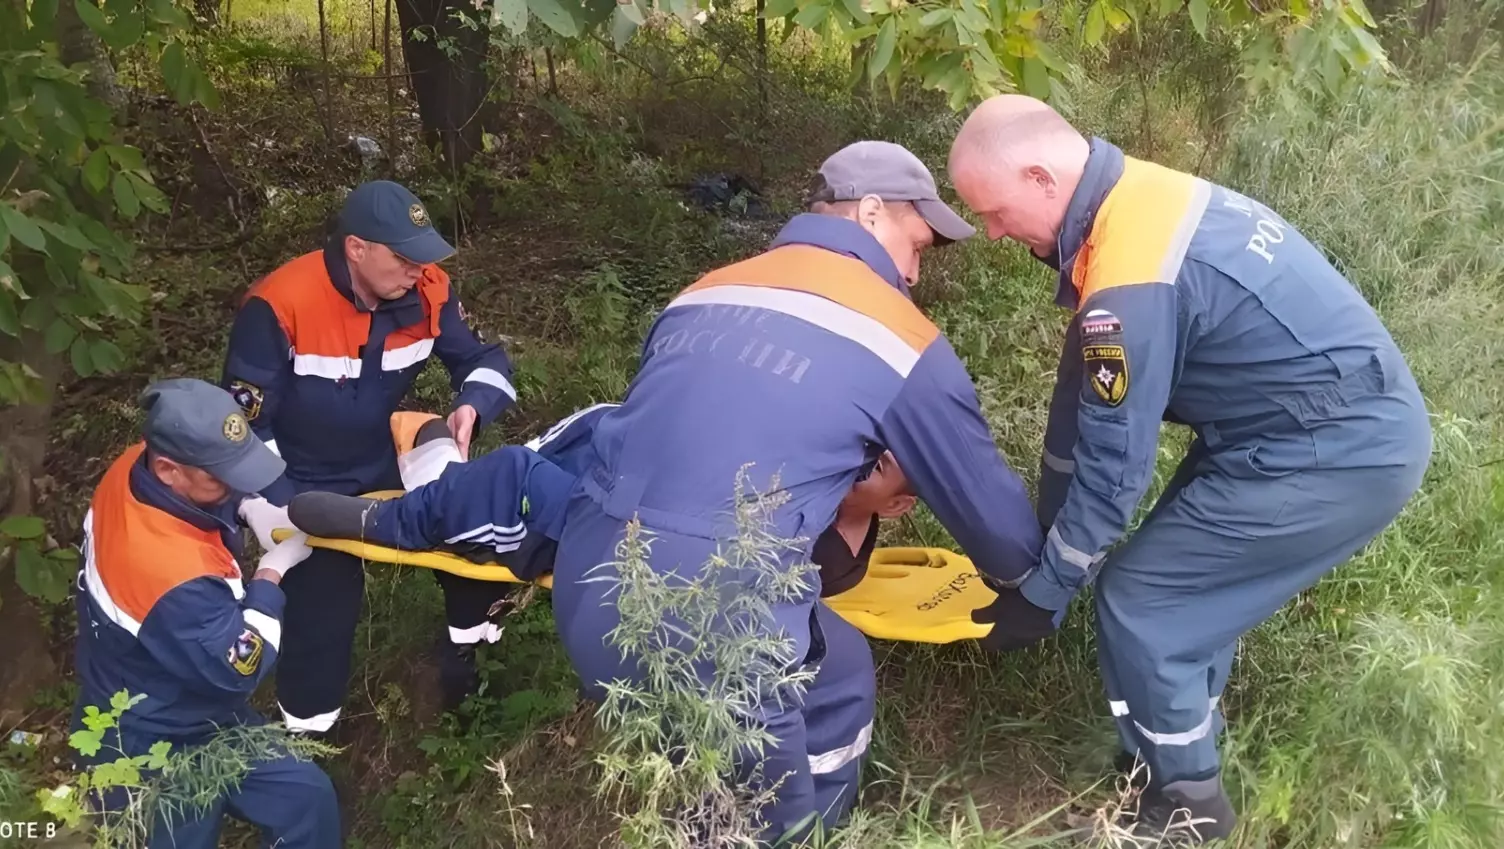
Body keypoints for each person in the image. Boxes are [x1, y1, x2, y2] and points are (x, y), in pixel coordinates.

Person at [946, 95, 1433, 842]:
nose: (993, 231)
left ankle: (1188, 810)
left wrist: (1045, 589)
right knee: (1185, 591)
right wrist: (1042, 539)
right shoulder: (1134, 201)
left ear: (1042, 177)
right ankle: (1169, 746)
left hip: (1338, 447)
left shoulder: (1130, 277)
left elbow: (1113, 468)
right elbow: (1078, 410)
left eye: (996, 211)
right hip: (1291, 425)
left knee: (1146, 601)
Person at [545, 141, 1045, 844]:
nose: (914, 271)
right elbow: (1002, 535)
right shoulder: (898, 334)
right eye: (916, 245)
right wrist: (1047, 583)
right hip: (720, 617)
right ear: (871, 213)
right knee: (763, 822)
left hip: (589, 578)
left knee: (833, 672)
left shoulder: (706, 289)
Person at [220, 179, 522, 730]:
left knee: (475, 530)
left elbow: (482, 360)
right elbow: (242, 426)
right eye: (405, 259)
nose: (417, 271)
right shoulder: (280, 303)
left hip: (383, 454)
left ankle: (470, 671)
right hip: (301, 474)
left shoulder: (430, 290)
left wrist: (473, 407)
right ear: (356, 248)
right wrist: (277, 504)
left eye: (423, 258)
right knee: (321, 604)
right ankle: (311, 738)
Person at [70, 378, 339, 848]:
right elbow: (240, 666)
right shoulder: (171, 575)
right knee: (180, 834)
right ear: (170, 469)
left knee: (306, 800)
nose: (232, 482)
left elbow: (206, 490)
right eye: (222, 478)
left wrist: (246, 506)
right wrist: (269, 578)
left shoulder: (136, 466)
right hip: (145, 731)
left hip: (202, 710)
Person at [287, 408, 919, 607]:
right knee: (615, 423)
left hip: (612, 548)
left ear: (894, 509)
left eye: (873, 469)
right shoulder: (824, 492)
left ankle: (401, 519)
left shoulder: (826, 555)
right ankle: (442, 474)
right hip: (634, 511)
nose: (852, 463)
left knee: (512, 477)